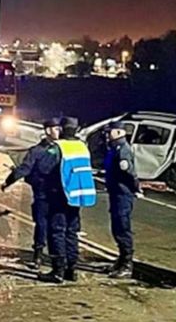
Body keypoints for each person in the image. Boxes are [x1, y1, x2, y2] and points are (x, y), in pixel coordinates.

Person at [1, 118, 62, 268]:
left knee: (55, 226)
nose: (58, 131)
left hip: (57, 194)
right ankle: (39, 255)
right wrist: (9, 181)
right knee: (42, 225)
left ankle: (55, 259)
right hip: (43, 193)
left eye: (59, 128)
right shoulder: (38, 150)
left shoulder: (59, 148)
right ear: (47, 130)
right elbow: (24, 169)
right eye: (55, 128)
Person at [43, 117, 97, 283]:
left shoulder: (58, 147)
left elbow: (45, 168)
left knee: (57, 231)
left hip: (60, 195)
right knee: (71, 232)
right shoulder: (83, 147)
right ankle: (71, 270)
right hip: (77, 196)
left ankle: (57, 270)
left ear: (61, 129)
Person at [103, 121, 141, 278]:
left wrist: (135, 188)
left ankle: (127, 264)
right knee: (117, 227)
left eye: (110, 131)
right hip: (116, 192)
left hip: (122, 194)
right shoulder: (114, 148)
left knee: (122, 228)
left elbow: (129, 173)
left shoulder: (122, 149)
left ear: (119, 132)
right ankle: (120, 260)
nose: (107, 134)